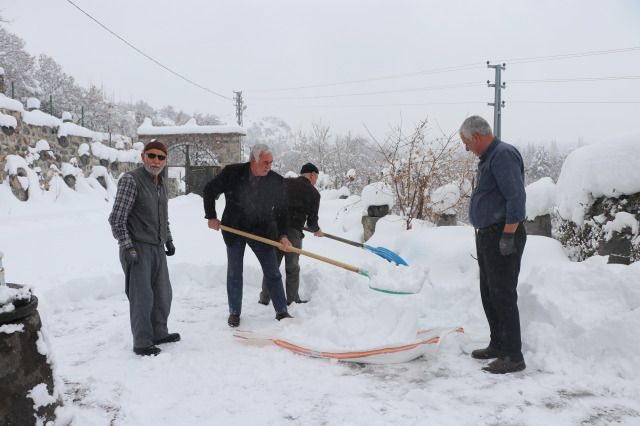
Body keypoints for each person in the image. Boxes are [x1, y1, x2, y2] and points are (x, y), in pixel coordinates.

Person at [460, 115, 527, 374]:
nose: (466, 148)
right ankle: (498, 344)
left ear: (476, 137)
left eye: (467, 143)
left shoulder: (503, 154)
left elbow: (516, 198)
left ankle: (513, 356)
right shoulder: (488, 157)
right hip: (488, 234)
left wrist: (508, 235)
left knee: (503, 294)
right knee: (489, 292)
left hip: (502, 234)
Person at [203, 144, 293, 327]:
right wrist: (211, 216)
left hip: (262, 231)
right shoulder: (232, 173)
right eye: (265, 162)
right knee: (235, 273)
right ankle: (234, 313)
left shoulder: (275, 180)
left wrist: (283, 235)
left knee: (273, 273)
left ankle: (282, 312)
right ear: (253, 160)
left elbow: (282, 210)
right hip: (234, 230)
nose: (269, 166)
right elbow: (209, 190)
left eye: (271, 162)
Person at [108, 140, 180, 356]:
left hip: (157, 247)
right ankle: (141, 342)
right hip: (137, 247)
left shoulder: (161, 183)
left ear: (165, 161)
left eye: (161, 157)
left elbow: (162, 217)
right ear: (143, 157)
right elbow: (117, 219)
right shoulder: (132, 180)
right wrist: (128, 247)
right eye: (152, 156)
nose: (156, 161)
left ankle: (159, 333)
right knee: (142, 297)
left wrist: (168, 239)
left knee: (162, 294)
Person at [259, 163, 323, 306]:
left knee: (271, 265)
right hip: (293, 232)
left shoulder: (285, 182)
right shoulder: (314, 193)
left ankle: (264, 298)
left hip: (274, 228)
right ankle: (292, 300)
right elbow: (312, 223)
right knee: (292, 267)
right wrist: (317, 230)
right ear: (312, 174)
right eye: (316, 177)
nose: (316, 181)